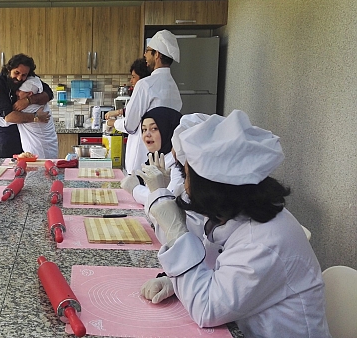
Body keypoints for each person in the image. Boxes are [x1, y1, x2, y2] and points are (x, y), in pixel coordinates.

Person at [139, 110, 330, 337]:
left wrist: (176, 232)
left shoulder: (264, 241)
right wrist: (177, 284)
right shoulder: (235, 218)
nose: (186, 188)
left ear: (211, 189)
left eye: (187, 176)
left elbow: (207, 309)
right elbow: (216, 269)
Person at [105, 30, 182, 174]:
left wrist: (114, 123)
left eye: (148, 51)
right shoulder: (174, 88)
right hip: (164, 161)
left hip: (141, 158)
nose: (145, 55)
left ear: (157, 54)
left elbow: (130, 125)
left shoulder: (145, 85)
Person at [0, 54, 53, 158]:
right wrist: (36, 117)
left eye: (23, 75)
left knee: (29, 168)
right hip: (8, 136)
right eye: (16, 73)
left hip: (27, 135)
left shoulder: (30, 78)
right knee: (10, 169)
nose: (19, 78)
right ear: (9, 69)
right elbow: (9, 117)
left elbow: (49, 94)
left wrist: (28, 100)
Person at [119, 107, 182, 206]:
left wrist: (135, 189)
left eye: (154, 129)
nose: (147, 134)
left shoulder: (178, 162)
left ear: (168, 130)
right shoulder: (155, 158)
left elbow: (167, 202)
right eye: (144, 129)